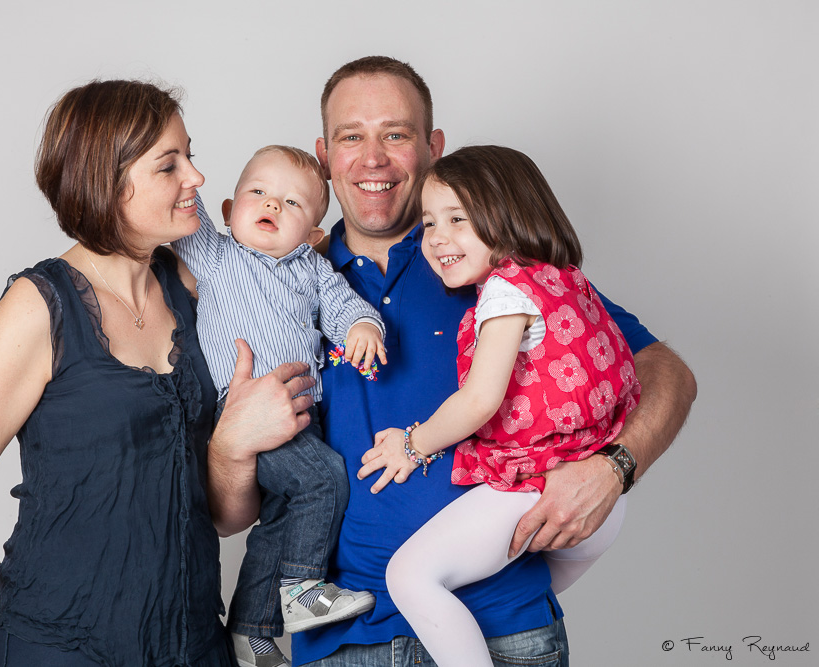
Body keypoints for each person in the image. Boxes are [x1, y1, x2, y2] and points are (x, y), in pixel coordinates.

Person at [210, 56, 696, 667]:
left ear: (434, 147)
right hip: (344, 643)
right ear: (325, 156)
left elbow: (665, 371)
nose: (373, 157)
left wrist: (613, 469)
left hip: (505, 628)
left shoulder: (485, 258)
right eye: (350, 137)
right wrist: (229, 447)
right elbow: (234, 517)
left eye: (396, 134)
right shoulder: (277, 279)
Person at [0, 80, 315, 667]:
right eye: (169, 165)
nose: (197, 179)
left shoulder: (195, 290)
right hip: (64, 650)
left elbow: (226, 519)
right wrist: (20, 626)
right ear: (108, 182)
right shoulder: (38, 306)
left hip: (195, 644)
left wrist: (230, 448)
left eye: (190, 157)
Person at [361, 145, 638, 666]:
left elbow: (480, 400)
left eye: (457, 219)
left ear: (506, 215)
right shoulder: (563, 278)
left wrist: (412, 444)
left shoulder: (505, 292)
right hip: (598, 501)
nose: (437, 238)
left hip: (535, 485)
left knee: (411, 576)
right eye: (428, 223)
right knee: (515, 591)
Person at [171, 145, 384, 667]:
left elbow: (346, 308)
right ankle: (304, 589)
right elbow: (182, 199)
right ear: (227, 211)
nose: (272, 205)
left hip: (298, 420)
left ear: (313, 233)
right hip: (240, 413)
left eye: (292, 203)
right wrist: (175, 164)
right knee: (325, 478)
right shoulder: (216, 254)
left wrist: (363, 328)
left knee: (284, 516)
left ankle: (251, 630)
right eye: (258, 193)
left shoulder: (313, 269)